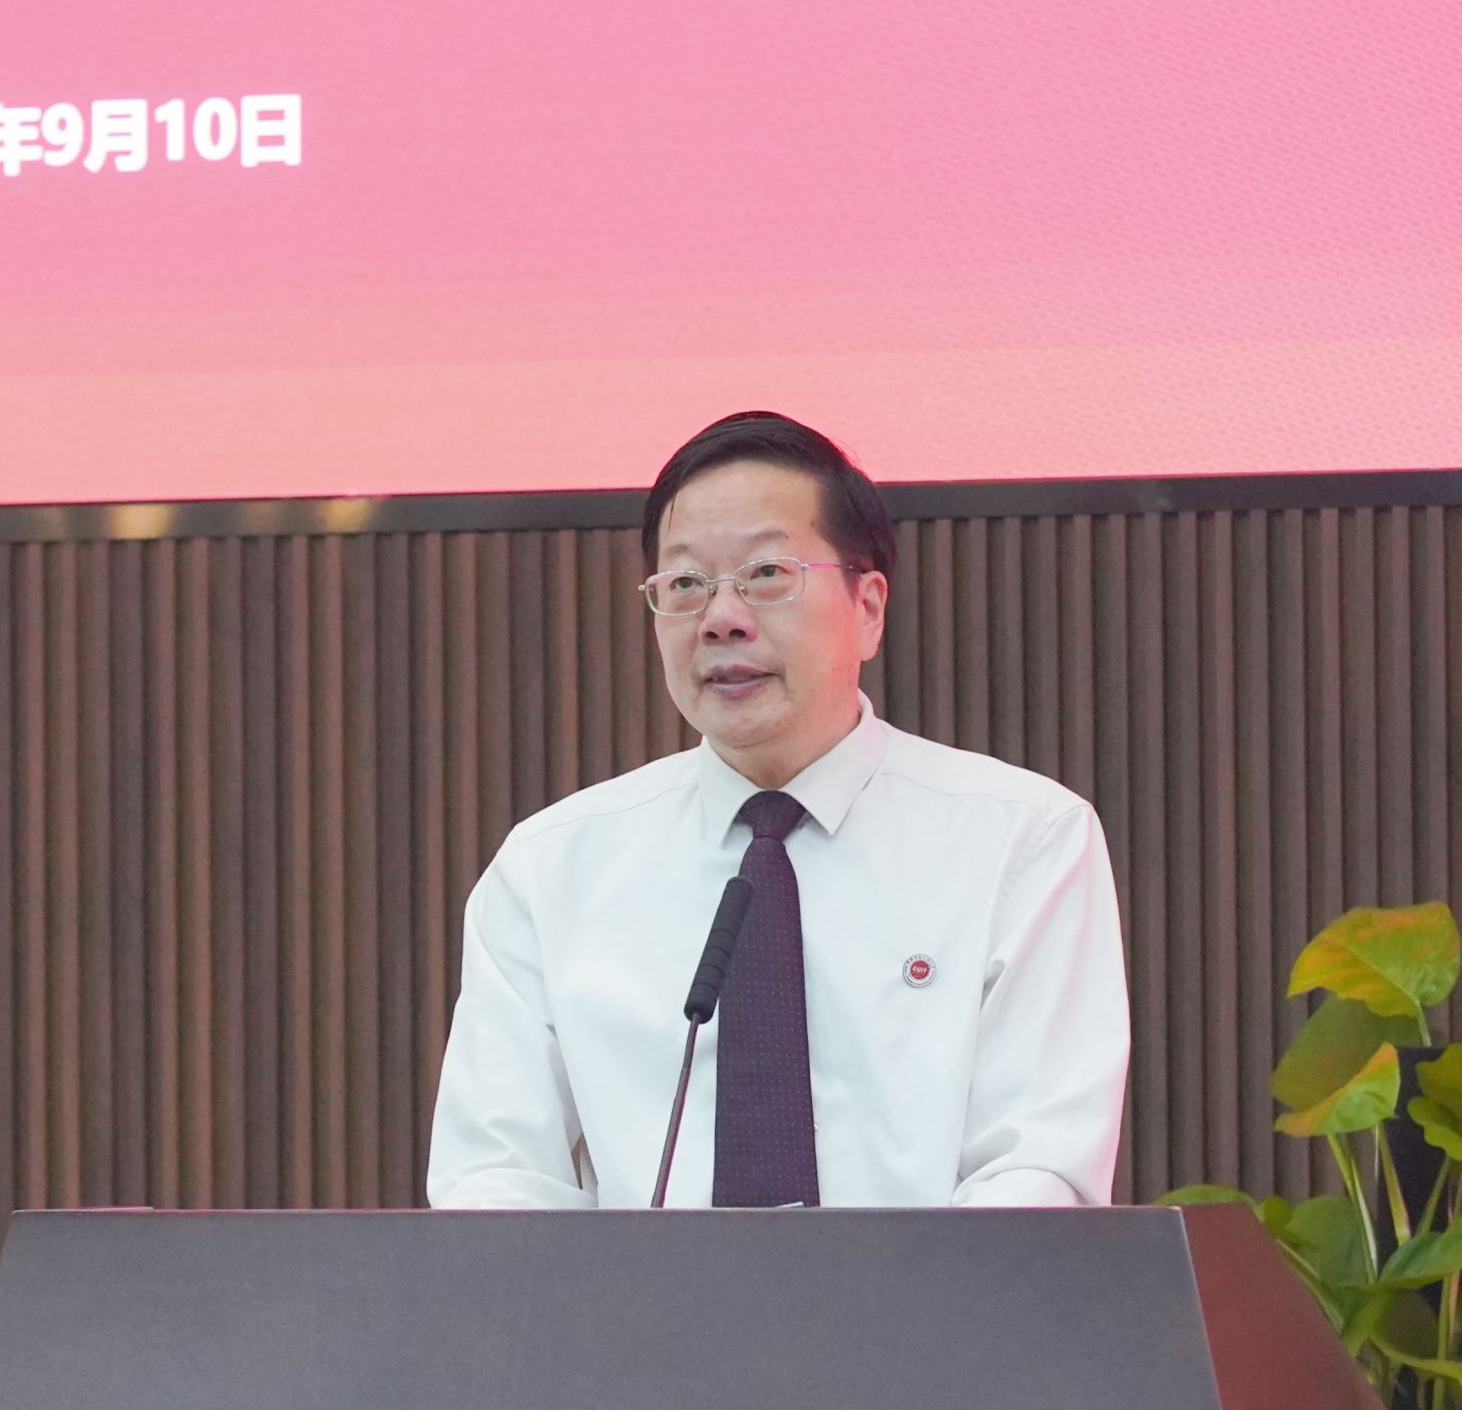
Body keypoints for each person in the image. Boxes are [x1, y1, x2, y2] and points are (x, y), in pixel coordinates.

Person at [426, 411, 1129, 1208]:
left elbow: (1037, 1173)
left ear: (868, 607)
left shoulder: (1023, 841)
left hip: (938, 1293)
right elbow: (493, 1179)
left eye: (766, 573)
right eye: (685, 584)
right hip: (642, 1298)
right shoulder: (550, 868)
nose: (721, 617)